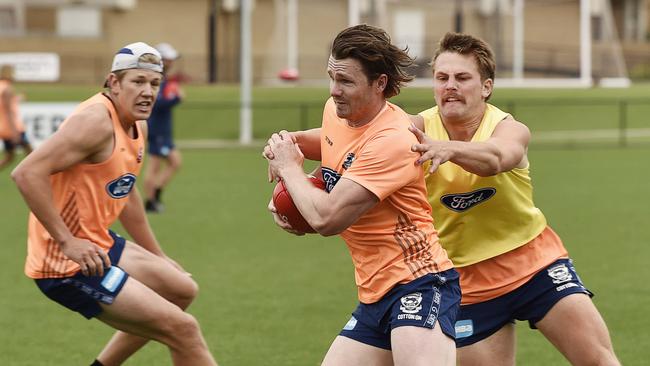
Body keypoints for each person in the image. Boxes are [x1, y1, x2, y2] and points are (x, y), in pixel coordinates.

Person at [408, 32, 620, 366]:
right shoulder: (414, 129)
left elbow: (497, 158)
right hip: (467, 282)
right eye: (442, 78)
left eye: (462, 78)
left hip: (536, 264)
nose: (451, 85)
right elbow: (359, 143)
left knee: (599, 360)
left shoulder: (508, 127)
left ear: (486, 87)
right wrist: (298, 143)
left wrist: (448, 148)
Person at [264, 24, 460, 366]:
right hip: (375, 292)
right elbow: (328, 140)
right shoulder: (338, 111)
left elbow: (326, 218)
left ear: (379, 83)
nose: (334, 90)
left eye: (346, 82)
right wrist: (288, 145)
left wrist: (291, 171)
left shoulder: (394, 140)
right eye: (331, 77)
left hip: (418, 283)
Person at [11, 42, 217, 366]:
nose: (148, 91)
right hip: (64, 262)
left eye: (154, 83)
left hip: (97, 242)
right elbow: (26, 172)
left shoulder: (138, 122)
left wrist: (157, 256)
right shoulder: (95, 121)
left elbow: (127, 191)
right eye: (138, 81)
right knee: (184, 330)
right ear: (114, 82)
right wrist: (68, 241)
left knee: (181, 290)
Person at [143, 42, 184, 213]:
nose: (171, 62)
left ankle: (154, 196)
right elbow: (156, 103)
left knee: (174, 162)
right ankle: (151, 201)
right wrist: (175, 98)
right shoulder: (155, 78)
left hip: (162, 130)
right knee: (157, 165)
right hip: (156, 129)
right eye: (168, 59)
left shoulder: (164, 79)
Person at [0, 64, 32, 170]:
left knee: (9, 158)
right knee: (32, 154)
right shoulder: (7, 89)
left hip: (3, 128)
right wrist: (14, 133)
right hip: (14, 128)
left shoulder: (2, 87)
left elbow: (6, 103)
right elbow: (8, 111)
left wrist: (19, 98)